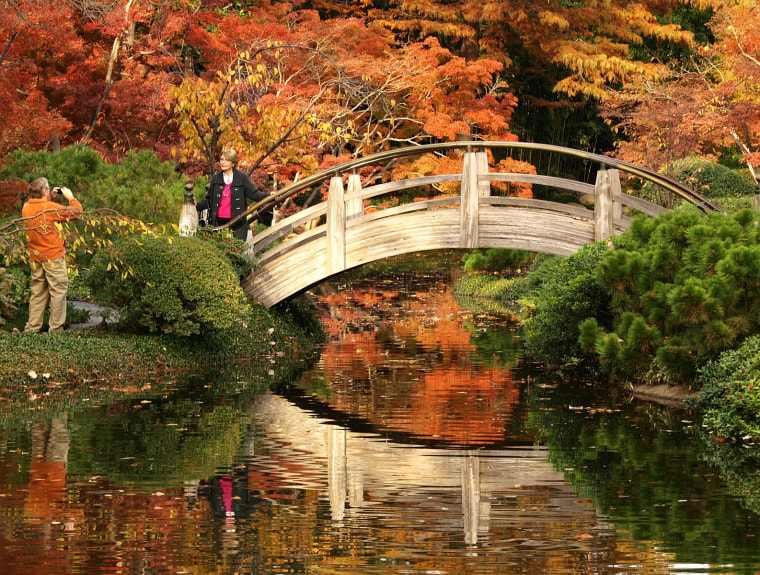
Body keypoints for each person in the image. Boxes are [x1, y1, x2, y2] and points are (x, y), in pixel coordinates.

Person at [22, 177, 82, 333]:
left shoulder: (26, 207)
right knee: (58, 291)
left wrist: (50, 197)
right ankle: (55, 329)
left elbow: (41, 208)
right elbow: (76, 212)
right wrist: (70, 198)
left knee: (38, 293)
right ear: (44, 191)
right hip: (53, 257)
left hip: (35, 258)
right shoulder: (50, 208)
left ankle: (33, 328)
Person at [196, 148, 269, 241]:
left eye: (227, 160)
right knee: (219, 249)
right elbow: (209, 201)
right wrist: (197, 205)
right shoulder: (216, 178)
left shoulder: (241, 178)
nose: (223, 162)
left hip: (237, 221)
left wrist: (270, 196)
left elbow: (254, 194)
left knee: (237, 250)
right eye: (222, 159)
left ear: (233, 163)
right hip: (218, 222)